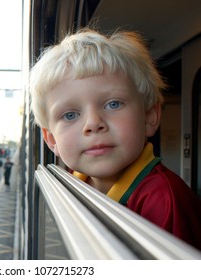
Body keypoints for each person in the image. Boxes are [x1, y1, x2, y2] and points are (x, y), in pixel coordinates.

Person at [29, 28, 201, 250]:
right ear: (51, 139)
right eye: (70, 115)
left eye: (113, 104)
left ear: (149, 116)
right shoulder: (76, 180)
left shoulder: (165, 201)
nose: (93, 123)